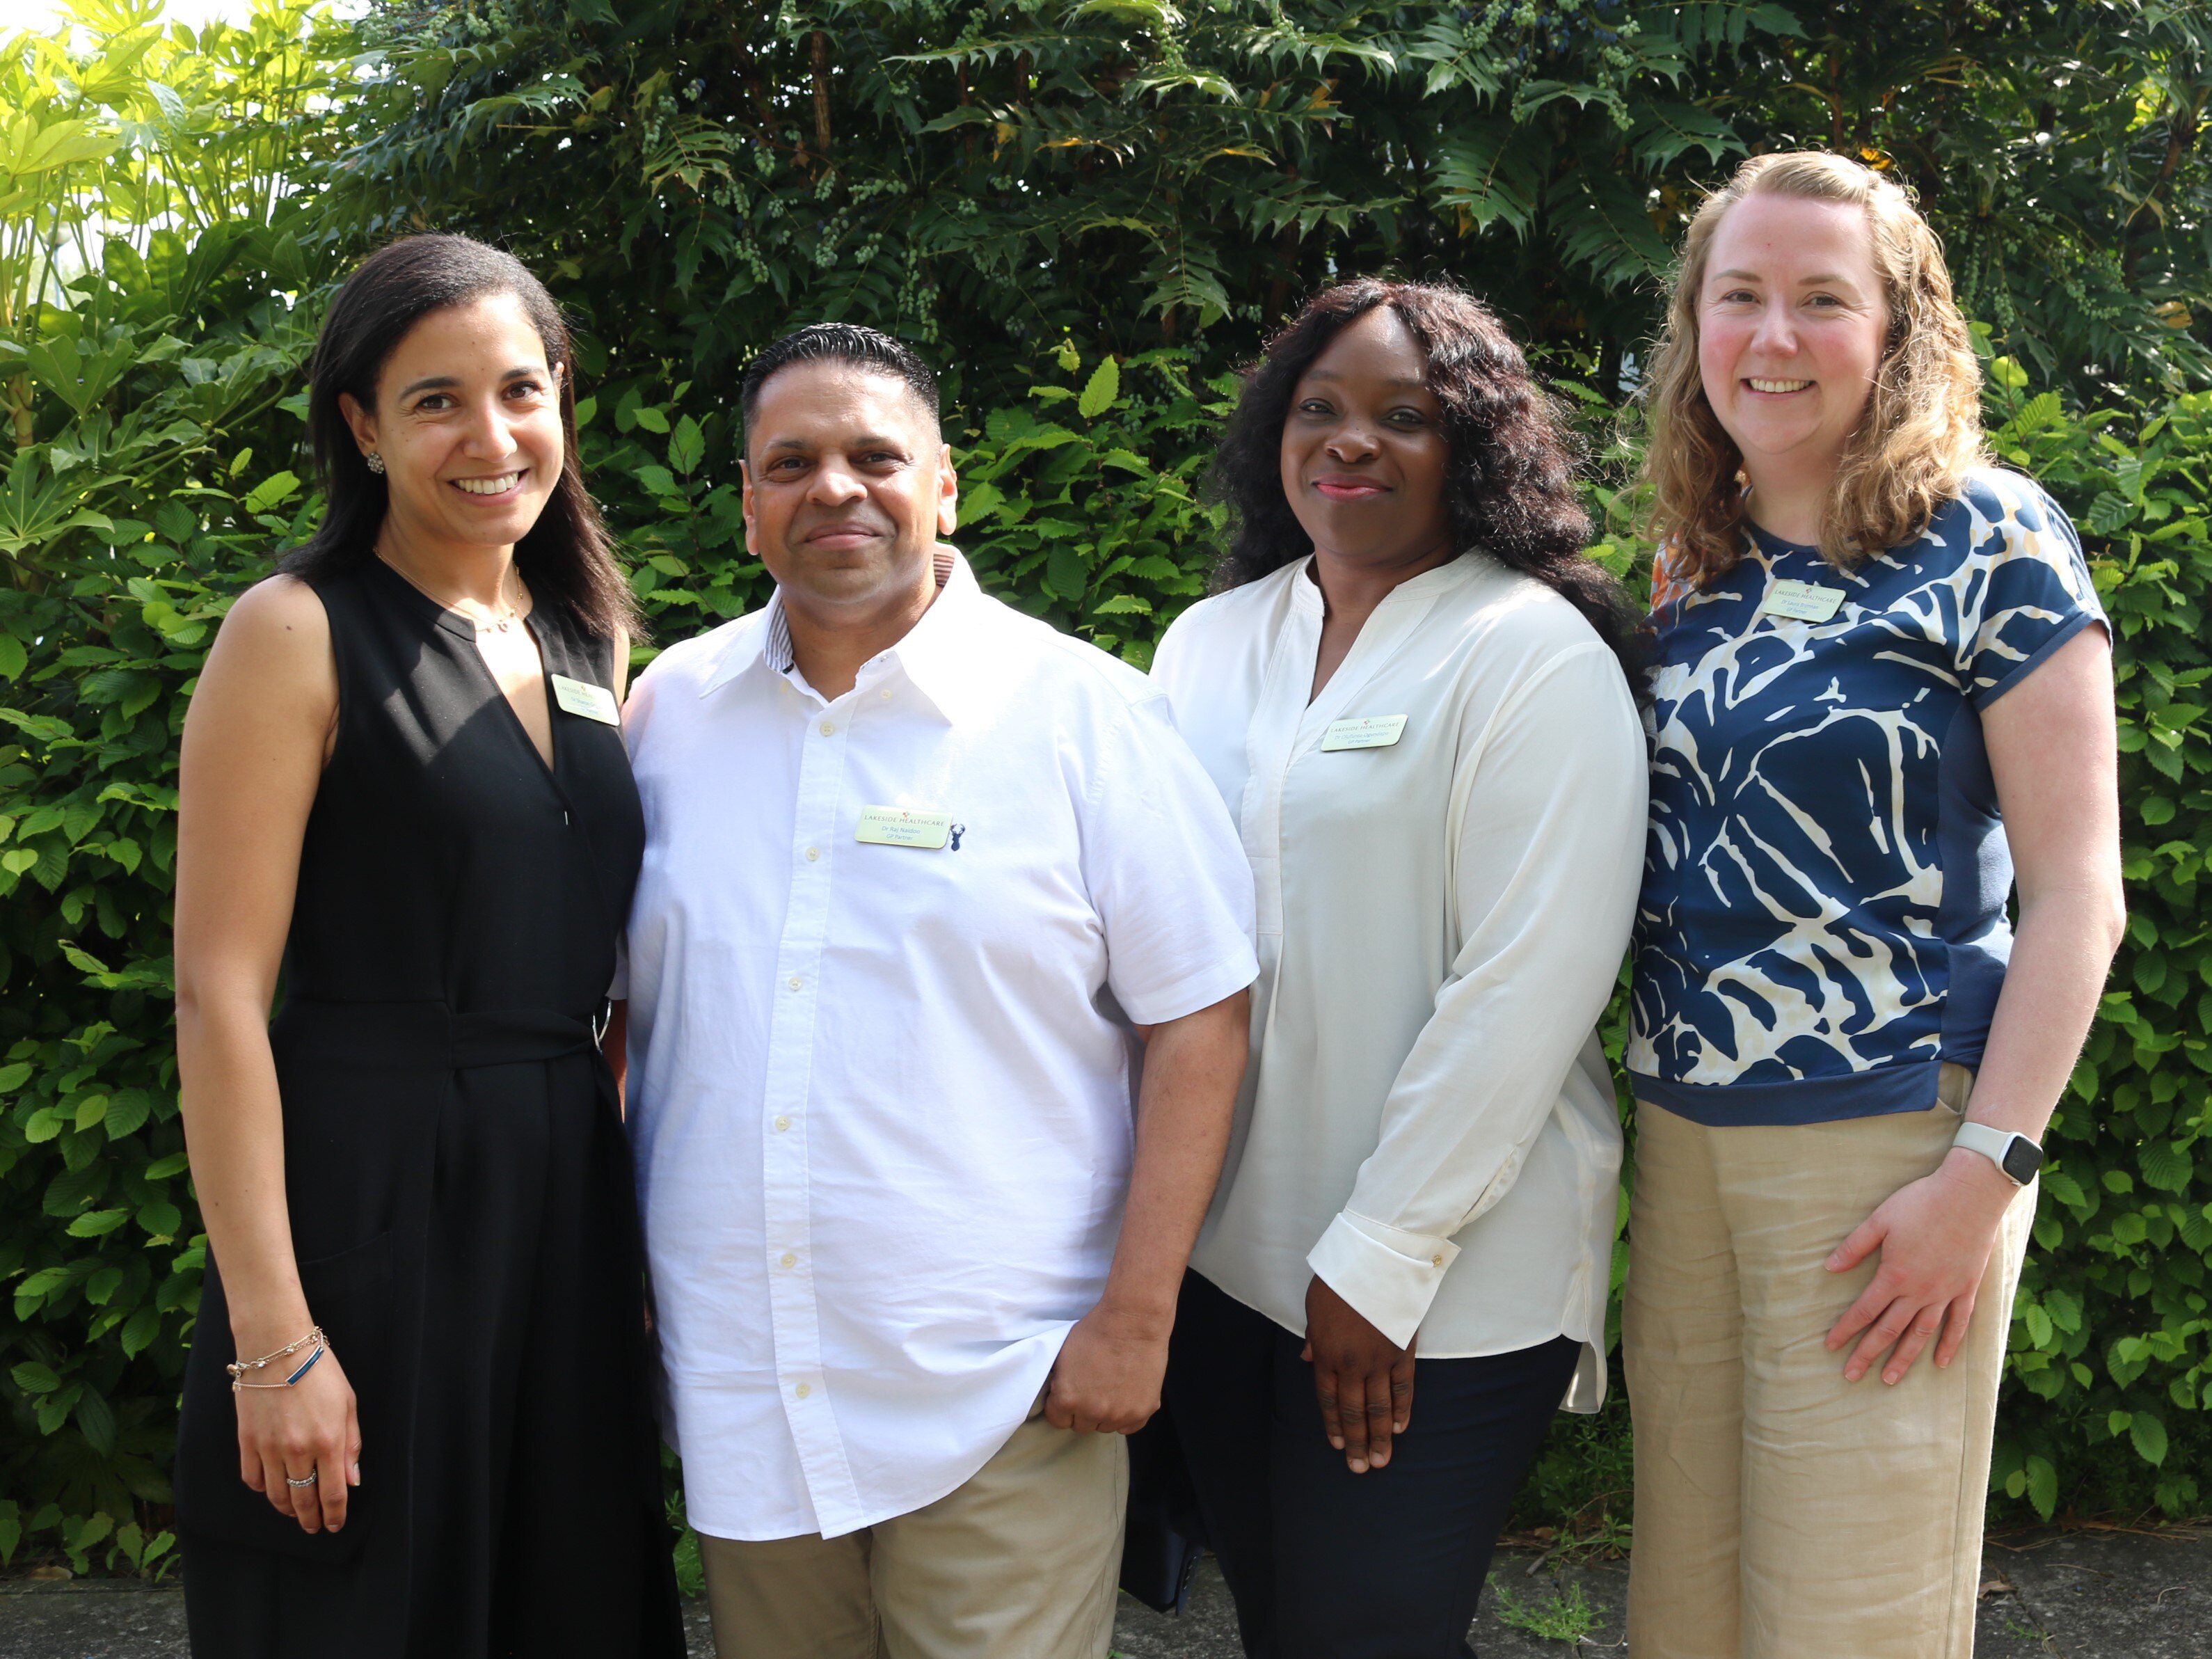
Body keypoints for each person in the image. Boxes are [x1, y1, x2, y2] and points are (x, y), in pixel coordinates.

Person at [612, 322, 1258, 1659]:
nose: (833, 488)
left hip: (1004, 1392)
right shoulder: (669, 714)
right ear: (746, 506)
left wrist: (1138, 1320)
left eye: (874, 454)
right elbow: (623, 1021)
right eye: (790, 463)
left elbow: (1200, 1020)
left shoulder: (1085, 717)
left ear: (946, 485)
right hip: (751, 1392)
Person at [1623, 152, 2126, 1659]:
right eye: (1742, 297)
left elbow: (2081, 895)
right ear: (1696, 324)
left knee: (1852, 1620)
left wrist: (1982, 1178)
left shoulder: (1995, 539)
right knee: (1688, 1614)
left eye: (1821, 300)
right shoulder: (1685, 560)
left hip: (1890, 1146)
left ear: (1899, 327)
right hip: (1683, 1136)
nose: (1773, 337)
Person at [170, 234, 684, 1658]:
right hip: (368, 1197)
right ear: (361, 424)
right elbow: (217, 994)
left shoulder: (592, 636)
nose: (489, 435)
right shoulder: (295, 630)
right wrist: (270, 1339)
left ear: (564, 397)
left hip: (566, 1198)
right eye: (435, 399)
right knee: (363, 1602)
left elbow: (618, 967)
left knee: (563, 1600)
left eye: (521, 390)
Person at [1147, 280, 1649, 1659]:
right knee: (1286, 1629)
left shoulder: (1529, 654)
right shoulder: (1208, 644)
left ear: (1475, 448)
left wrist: (1378, 1260)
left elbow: (1527, 988)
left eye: (1404, 415)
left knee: (1366, 1632)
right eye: (1320, 409)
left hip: (1446, 1278)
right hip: (1225, 1259)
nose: (1351, 440)